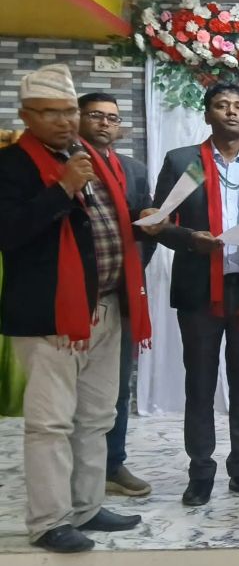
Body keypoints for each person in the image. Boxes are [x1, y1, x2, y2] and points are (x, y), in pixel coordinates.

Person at [0, 64, 153, 552]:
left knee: (96, 417)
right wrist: (61, 188)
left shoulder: (86, 158)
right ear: (27, 115)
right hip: (51, 316)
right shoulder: (12, 166)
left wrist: (143, 219)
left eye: (69, 111)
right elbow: (9, 234)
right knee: (50, 424)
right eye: (51, 113)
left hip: (106, 306)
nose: (65, 121)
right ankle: (49, 521)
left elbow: (104, 225)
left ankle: (86, 506)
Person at [151, 82, 239, 506]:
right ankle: (200, 473)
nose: (231, 112)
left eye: (238, 106)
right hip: (199, 292)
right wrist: (191, 239)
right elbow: (157, 223)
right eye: (221, 105)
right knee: (200, 385)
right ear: (207, 114)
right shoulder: (183, 162)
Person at [77, 92, 156, 497]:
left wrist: (135, 268)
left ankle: (112, 464)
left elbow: (147, 228)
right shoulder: (68, 165)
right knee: (71, 394)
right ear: (78, 118)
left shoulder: (134, 170)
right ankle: (74, 474)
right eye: (96, 115)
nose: (105, 123)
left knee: (116, 388)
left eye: (112, 117)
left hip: (122, 295)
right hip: (74, 298)